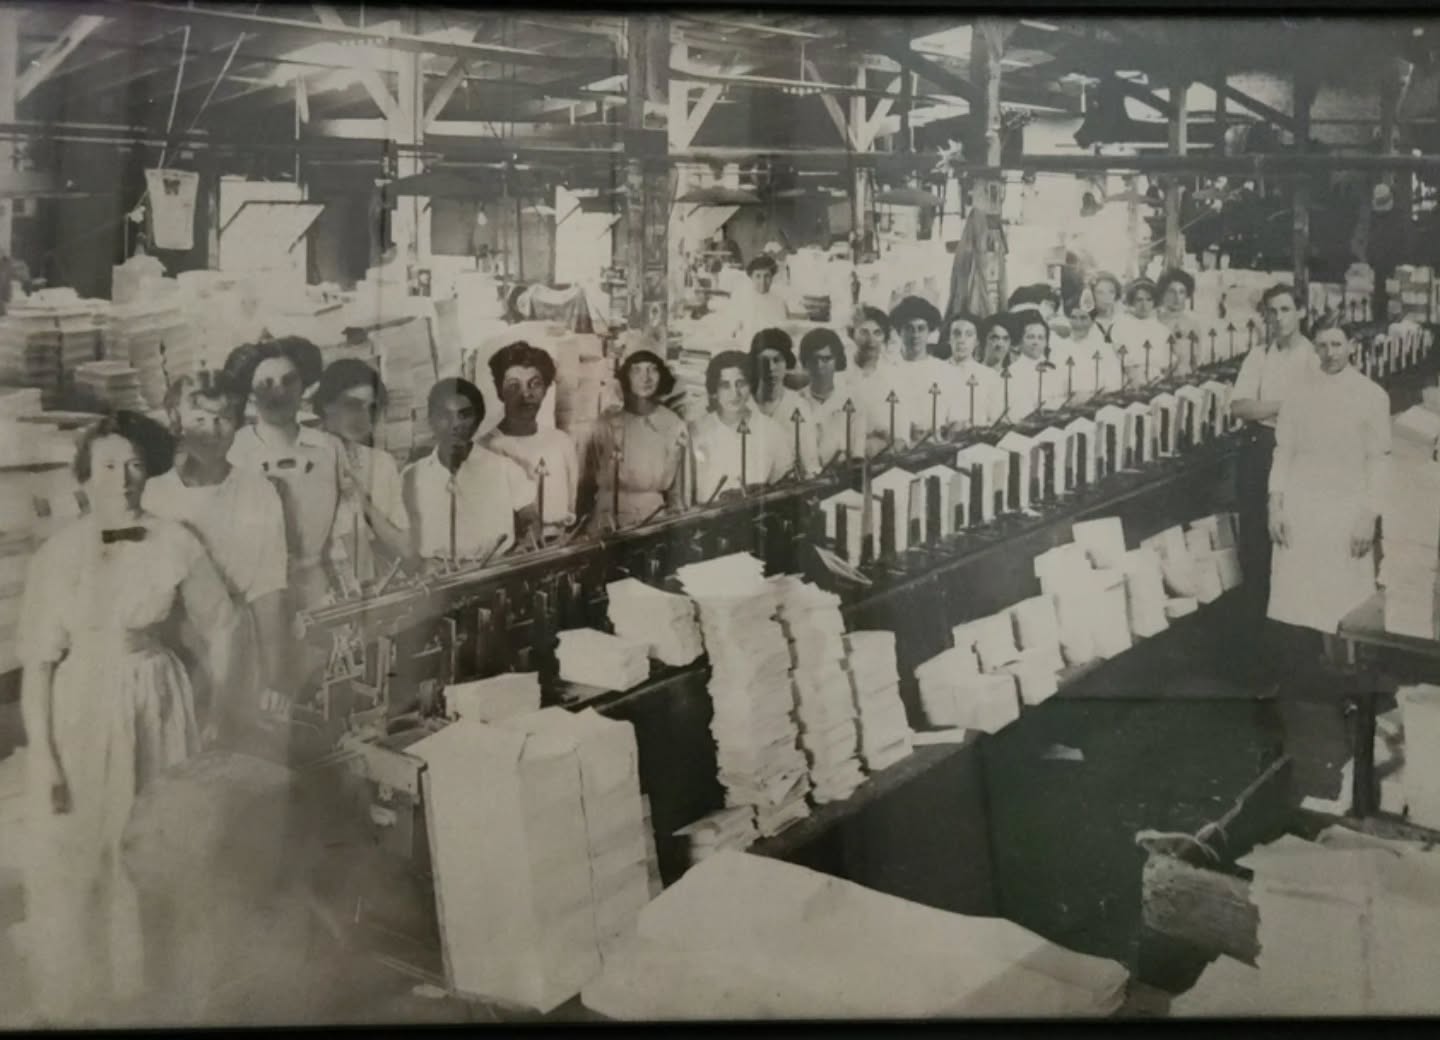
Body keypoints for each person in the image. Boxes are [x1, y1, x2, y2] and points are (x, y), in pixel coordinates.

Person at [19, 411, 238, 1022]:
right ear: (85, 478)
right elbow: (37, 664)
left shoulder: (176, 540)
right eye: (110, 466)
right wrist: (46, 758)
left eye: (137, 465)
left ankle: (161, 990)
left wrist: (213, 705)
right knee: (89, 845)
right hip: (80, 708)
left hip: (157, 701)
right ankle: (93, 996)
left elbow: (223, 624)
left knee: (159, 843)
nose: (124, 478)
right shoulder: (57, 555)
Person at [144, 373, 294, 730]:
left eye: (223, 419)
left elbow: (267, 591)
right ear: (176, 422)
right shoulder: (151, 495)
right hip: (170, 645)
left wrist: (274, 678)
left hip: (236, 644)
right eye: (199, 419)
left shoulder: (258, 492)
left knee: (230, 746)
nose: (211, 431)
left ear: (239, 424)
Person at [1267, 316, 1390, 647]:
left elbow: (1378, 460)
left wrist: (1369, 516)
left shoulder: (1371, 395)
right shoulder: (1297, 393)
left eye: (1337, 344)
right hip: (1302, 504)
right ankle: (1308, 680)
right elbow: (1284, 451)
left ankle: (1347, 682)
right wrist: (1275, 505)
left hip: (1347, 507)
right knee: (1301, 597)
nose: (1330, 352)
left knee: (1346, 600)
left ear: (1351, 346)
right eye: (1322, 345)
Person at [224, 337, 346, 617]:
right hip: (256, 599)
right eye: (266, 384)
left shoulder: (329, 448)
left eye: (289, 381)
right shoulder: (233, 452)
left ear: (304, 387)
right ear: (250, 395)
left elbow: (341, 530)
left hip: (319, 593)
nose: (280, 392)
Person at [1231, 283, 1320, 638]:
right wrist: (1287, 406)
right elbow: (1239, 407)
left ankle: (1293, 639)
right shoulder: (1259, 356)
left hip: (1298, 454)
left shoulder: (1313, 358)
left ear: (1300, 312)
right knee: (1255, 543)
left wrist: (1265, 406)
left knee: (1291, 543)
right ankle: (1259, 640)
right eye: (1272, 311)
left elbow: (1316, 414)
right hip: (1258, 450)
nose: (1279, 318)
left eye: (1286, 309)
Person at [403, 378, 539, 562]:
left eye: (464, 415)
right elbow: (400, 538)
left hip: (494, 574)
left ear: (477, 419)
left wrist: (523, 548)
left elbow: (531, 519)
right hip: (435, 579)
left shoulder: (504, 468)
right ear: (431, 420)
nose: (456, 424)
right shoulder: (412, 476)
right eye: (445, 415)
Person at [312, 359, 413, 583]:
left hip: (376, 586)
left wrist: (361, 500)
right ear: (327, 404)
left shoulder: (382, 463)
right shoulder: (301, 461)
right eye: (353, 405)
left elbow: (404, 548)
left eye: (372, 408)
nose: (365, 418)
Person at [481, 341, 580, 539]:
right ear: (500, 392)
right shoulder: (486, 448)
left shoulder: (561, 442)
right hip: (512, 555)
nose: (526, 394)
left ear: (545, 390)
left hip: (559, 547)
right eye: (513, 386)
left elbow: (571, 504)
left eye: (535, 384)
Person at [584, 350, 688, 531]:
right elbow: (588, 479)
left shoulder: (673, 424)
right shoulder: (606, 423)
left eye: (652, 369)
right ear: (625, 376)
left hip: (652, 516)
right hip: (605, 516)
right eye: (636, 370)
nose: (645, 378)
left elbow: (678, 491)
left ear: (662, 375)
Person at [689, 349, 790, 499]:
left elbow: (784, 486)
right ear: (714, 390)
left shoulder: (772, 430)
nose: (734, 393)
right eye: (725, 385)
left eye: (741, 383)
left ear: (751, 385)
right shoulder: (697, 430)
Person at [750, 327, 819, 477]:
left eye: (777, 360)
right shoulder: (746, 403)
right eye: (764, 361)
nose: (771, 368)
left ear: (786, 363)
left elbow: (810, 464)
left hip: (784, 489)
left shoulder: (798, 406)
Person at [886, 295, 955, 443]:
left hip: (936, 448)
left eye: (921, 328)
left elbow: (954, 419)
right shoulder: (888, 370)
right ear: (899, 331)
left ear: (929, 331)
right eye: (909, 328)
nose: (915, 335)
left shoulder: (945, 371)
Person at [798, 327, 864, 466]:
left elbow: (858, 454)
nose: (819, 366)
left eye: (826, 359)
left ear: (837, 361)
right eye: (814, 360)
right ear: (805, 362)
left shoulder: (853, 401)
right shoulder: (797, 401)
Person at [937, 313, 1002, 429]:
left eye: (969, 335)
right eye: (957, 334)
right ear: (949, 339)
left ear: (976, 341)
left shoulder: (989, 376)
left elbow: (995, 418)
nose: (961, 340)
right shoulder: (936, 371)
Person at [1113, 278, 1175, 387]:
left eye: (1149, 299)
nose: (1144, 305)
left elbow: (1169, 364)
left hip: (1158, 381)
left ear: (1154, 301)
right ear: (1132, 301)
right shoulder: (1121, 324)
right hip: (1129, 381)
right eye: (1139, 300)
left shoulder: (1162, 330)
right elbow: (1121, 360)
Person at [1004, 310, 1064, 418]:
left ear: (1046, 342)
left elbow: (1061, 400)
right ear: (1021, 341)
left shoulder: (1054, 370)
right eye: (1030, 337)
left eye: (1040, 338)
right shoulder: (1013, 372)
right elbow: (1017, 410)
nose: (1035, 342)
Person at [1065, 290, 1123, 401]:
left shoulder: (1104, 349)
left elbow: (1114, 383)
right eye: (1074, 318)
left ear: (1092, 321)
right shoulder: (1060, 348)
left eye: (1083, 318)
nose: (1078, 324)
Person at [729, 254, 791, 341]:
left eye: (767, 276)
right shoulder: (741, 299)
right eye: (758, 276)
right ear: (751, 277)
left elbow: (784, 329)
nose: (762, 281)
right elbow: (733, 332)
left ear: (772, 277)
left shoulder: (779, 301)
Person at [1157, 267, 1202, 374]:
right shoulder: (1156, 321)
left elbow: (1195, 360)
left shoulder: (1192, 324)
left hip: (1185, 377)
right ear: (1163, 293)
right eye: (1171, 291)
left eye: (1181, 292)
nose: (1177, 297)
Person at [1089, 272, 1125, 345]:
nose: (1106, 297)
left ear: (1116, 294)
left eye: (1111, 292)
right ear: (1092, 294)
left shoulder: (1123, 320)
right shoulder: (1086, 321)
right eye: (1100, 292)